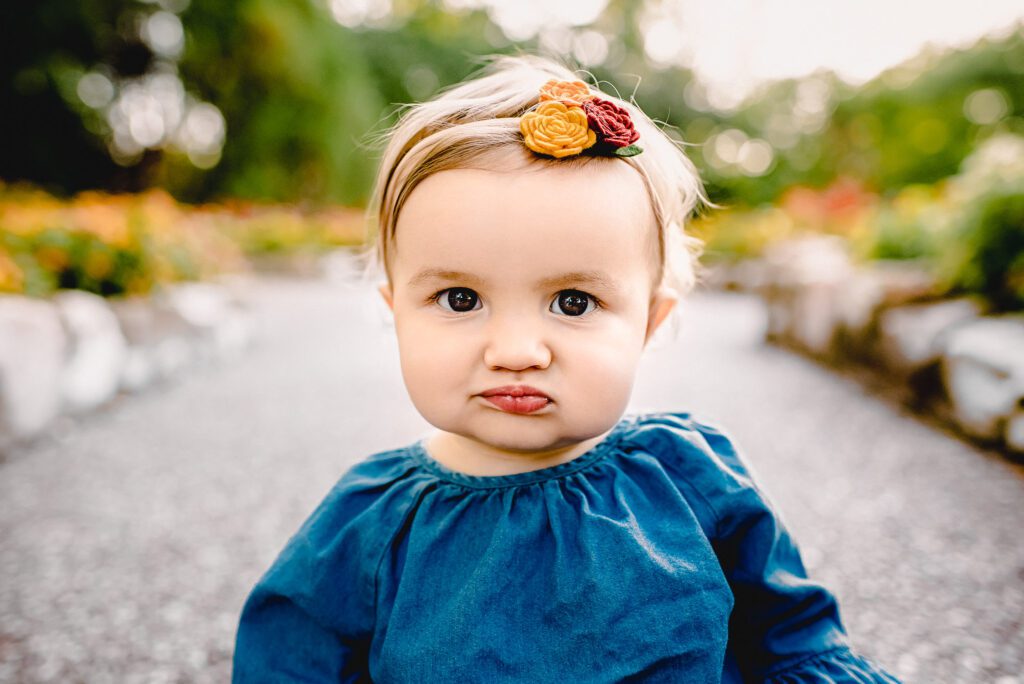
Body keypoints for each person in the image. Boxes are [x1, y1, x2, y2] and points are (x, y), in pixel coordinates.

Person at [231, 55, 901, 683]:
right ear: (396, 312)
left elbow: (795, 638)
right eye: (461, 299)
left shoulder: (687, 477)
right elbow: (290, 660)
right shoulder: (371, 521)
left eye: (573, 302)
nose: (517, 349)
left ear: (648, 324)